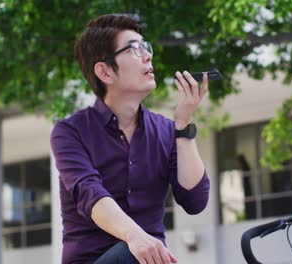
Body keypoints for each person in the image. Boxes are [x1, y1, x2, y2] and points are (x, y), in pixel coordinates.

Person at [50, 13, 210, 264]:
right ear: (104, 71)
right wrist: (136, 237)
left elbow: (195, 201)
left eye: (146, 47)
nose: (147, 56)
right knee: (130, 253)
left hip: (148, 261)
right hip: (96, 260)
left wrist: (183, 126)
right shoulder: (70, 132)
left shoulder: (166, 130)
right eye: (134, 49)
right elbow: (90, 194)